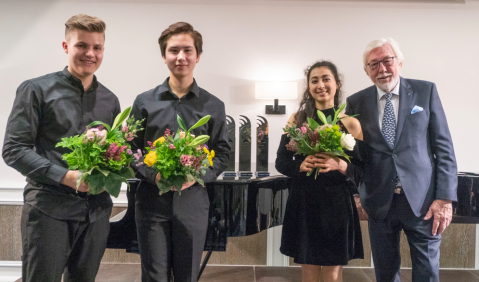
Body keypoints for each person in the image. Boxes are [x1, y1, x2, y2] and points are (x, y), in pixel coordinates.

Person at [2, 14, 120, 282]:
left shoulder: (110, 100)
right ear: (66, 47)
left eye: (97, 47)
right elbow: (14, 149)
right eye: (82, 46)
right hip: (48, 209)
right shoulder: (36, 90)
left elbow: (113, 153)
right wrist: (66, 176)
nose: (90, 53)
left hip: (96, 212)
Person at [345, 37, 457, 282]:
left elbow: (444, 148)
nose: (382, 69)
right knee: (385, 273)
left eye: (387, 60)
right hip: (379, 202)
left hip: (423, 202)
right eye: (373, 64)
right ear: (366, 71)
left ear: (400, 62)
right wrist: (357, 193)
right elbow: (356, 156)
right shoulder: (356, 102)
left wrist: (444, 199)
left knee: (427, 272)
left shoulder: (425, 91)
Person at [130, 22, 230, 282]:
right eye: (174, 50)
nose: (181, 57)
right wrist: (154, 176)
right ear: (164, 56)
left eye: (187, 50)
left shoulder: (213, 105)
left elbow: (222, 154)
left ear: (198, 56)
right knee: (154, 276)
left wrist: (196, 176)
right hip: (152, 201)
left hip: (193, 201)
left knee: (187, 276)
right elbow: (131, 150)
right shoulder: (144, 102)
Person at [276, 61, 364, 282]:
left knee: (333, 273)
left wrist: (342, 165)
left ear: (336, 83)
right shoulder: (297, 120)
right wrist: (300, 166)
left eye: (326, 79)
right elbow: (281, 161)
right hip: (305, 199)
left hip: (337, 202)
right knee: (309, 269)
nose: (320, 85)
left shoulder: (350, 123)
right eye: (314, 80)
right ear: (308, 86)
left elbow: (365, 169)